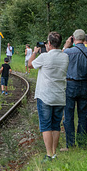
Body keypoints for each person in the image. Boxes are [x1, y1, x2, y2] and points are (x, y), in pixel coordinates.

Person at [28, 31, 68, 162]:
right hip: (60, 96)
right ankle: (55, 153)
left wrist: (34, 51)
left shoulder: (44, 57)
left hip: (45, 96)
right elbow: (61, 53)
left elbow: (29, 64)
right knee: (56, 125)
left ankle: (49, 154)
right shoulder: (65, 57)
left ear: (49, 43)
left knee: (46, 126)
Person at [62, 29, 87, 149]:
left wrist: (66, 45)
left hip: (70, 85)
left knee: (69, 116)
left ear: (73, 39)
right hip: (85, 86)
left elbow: (59, 58)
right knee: (82, 116)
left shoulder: (68, 52)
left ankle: (70, 144)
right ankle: (82, 143)